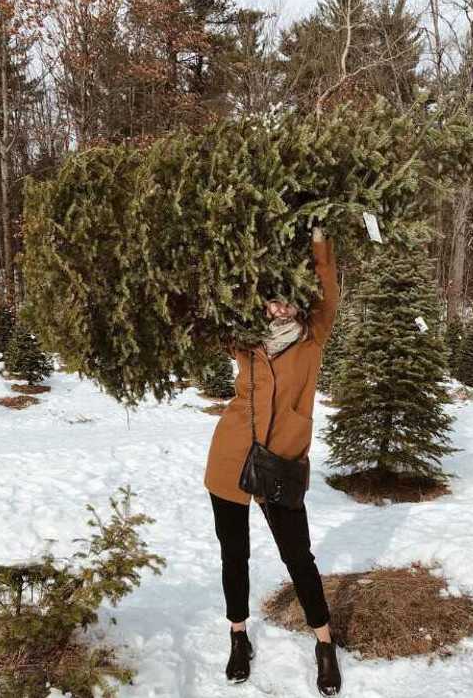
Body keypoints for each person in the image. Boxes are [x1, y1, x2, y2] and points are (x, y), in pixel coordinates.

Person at [203, 228, 343, 696]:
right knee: (233, 554)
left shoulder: (312, 337)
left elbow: (330, 290)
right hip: (230, 456)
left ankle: (324, 642)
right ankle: (238, 635)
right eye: (272, 301)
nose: (279, 308)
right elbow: (209, 304)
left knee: (297, 556)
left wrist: (320, 241)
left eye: (287, 301)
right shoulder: (246, 340)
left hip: (280, 461)